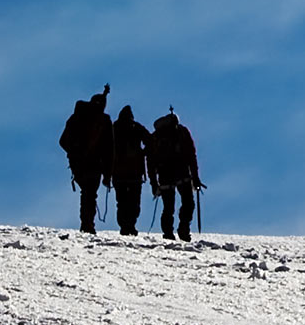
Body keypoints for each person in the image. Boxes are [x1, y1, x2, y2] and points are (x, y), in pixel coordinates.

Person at [58, 85, 112, 232]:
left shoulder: (77, 117)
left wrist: (74, 154)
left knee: (87, 193)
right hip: (95, 164)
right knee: (90, 194)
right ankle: (88, 224)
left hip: (79, 164)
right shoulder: (104, 121)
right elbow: (109, 149)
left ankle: (87, 223)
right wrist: (107, 174)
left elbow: (63, 141)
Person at [149, 109, 203, 240]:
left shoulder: (157, 136)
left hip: (165, 174)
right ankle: (183, 228)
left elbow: (150, 161)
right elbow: (191, 155)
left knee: (168, 206)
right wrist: (195, 176)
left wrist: (154, 182)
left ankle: (168, 233)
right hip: (182, 172)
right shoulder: (182, 132)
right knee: (188, 203)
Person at [108, 104, 150, 236]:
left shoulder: (114, 128)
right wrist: (143, 153)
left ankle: (125, 226)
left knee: (121, 202)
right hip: (134, 172)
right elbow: (150, 141)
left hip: (118, 172)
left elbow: (106, 148)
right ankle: (130, 225)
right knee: (134, 201)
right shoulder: (136, 127)